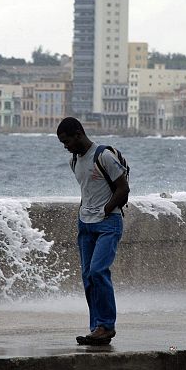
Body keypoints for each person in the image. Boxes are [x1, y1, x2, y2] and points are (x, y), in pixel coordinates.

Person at [57, 117, 129, 345]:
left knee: (98, 271)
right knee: (88, 276)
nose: (65, 146)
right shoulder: (74, 161)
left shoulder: (103, 156)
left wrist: (106, 209)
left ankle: (106, 326)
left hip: (108, 223)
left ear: (78, 134)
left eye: (67, 141)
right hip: (85, 224)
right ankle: (97, 328)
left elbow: (123, 189)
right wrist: (85, 214)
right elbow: (88, 190)